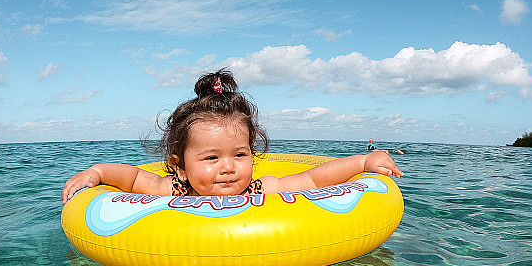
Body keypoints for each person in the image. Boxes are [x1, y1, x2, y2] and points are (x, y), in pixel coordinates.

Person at [62, 70, 403, 203]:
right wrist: (99, 173)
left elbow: (313, 179)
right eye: (211, 158)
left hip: (260, 250)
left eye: (240, 155)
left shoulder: (258, 187)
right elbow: (134, 176)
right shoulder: (175, 188)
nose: (229, 168)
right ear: (179, 166)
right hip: (199, 258)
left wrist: (362, 160)